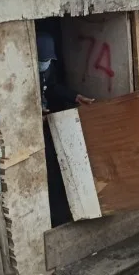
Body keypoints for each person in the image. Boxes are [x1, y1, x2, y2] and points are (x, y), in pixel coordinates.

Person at [37, 32, 94, 226]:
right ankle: (54, 219)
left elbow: (52, 86)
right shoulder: (23, 70)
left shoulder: (47, 68)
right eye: (42, 60)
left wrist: (75, 96)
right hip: (34, 128)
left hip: (47, 121)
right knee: (48, 174)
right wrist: (34, 112)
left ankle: (64, 214)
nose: (45, 64)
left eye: (48, 60)